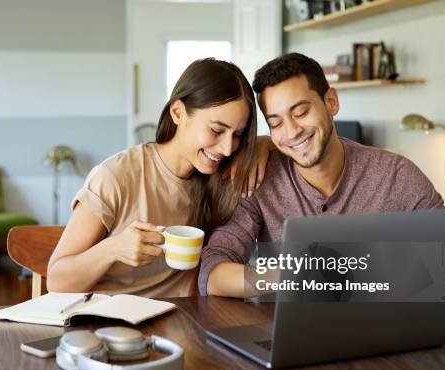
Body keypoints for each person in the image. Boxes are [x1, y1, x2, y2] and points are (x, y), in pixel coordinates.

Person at [199, 52, 445, 297]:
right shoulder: (258, 180)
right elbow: (212, 273)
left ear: (331, 103)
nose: (291, 131)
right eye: (276, 123)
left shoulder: (396, 175)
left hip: (386, 335)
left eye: (301, 112)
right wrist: (294, 276)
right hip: (292, 339)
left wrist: (385, 276)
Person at [47, 58, 275, 297]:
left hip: (185, 323)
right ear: (178, 112)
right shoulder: (116, 176)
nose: (228, 148)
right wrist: (112, 249)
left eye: (237, 134)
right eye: (216, 130)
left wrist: (263, 143)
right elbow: (57, 280)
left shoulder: (225, 173)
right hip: (113, 324)